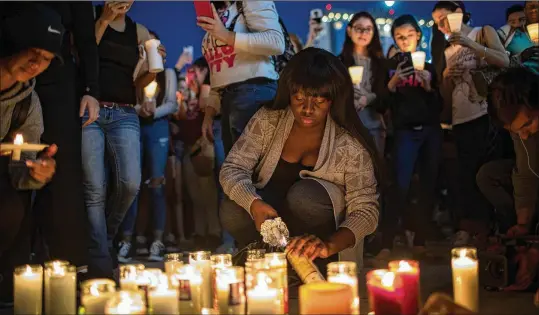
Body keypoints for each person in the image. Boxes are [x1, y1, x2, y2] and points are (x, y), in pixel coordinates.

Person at [219, 48, 379, 270]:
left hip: (323, 243)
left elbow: (366, 210)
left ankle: (313, 264)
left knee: (304, 196)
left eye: (319, 101)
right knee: (233, 207)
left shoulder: (348, 145)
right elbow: (232, 168)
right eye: (299, 98)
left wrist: (328, 245)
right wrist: (254, 204)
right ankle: (268, 261)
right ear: (289, 93)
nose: (307, 109)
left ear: (333, 100)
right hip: (272, 227)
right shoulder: (269, 121)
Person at [84, 1, 155, 279]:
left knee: (130, 183)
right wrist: (104, 19)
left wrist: (153, 64)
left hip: (125, 111)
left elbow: (139, 80)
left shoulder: (138, 30)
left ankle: (105, 239)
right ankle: (101, 260)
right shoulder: (91, 16)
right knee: (93, 188)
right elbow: (83, 54)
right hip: (90, 107)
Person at [432, 1, 510, 246]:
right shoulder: (447, 50)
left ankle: (495, 228)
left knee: (484, 171)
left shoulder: (482, 32)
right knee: (465, 176)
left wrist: (471, 45)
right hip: (460, 118)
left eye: (444, 19)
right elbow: (447, 95)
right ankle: (473, 230)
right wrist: (445, 78)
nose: (442, 26)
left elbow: (504, 62)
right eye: (437, 23)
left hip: (484, 113)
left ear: (458, 13)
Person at [0, 4, 60, 304]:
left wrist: (38, 173)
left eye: (46, 59)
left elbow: (19, 171)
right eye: (33, 52)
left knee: (13, 207)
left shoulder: (27, 103)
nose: (36, 64)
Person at [378, 14, 443, 258]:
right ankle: (387, 241)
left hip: (430, 130)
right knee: (400, 185)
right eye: (399, 37)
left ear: (418, 36)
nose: (405, 41)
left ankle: (420, 239)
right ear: (394, 39)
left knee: (428, 185)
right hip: (404, 132)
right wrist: (392, 83)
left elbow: (439, 107)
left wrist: (429, 87)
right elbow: (382, 103)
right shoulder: (390, 66)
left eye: (409, 35)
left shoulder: (427, 65)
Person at [119, 30, 178, 263]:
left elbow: (172, 103)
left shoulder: (169, 73)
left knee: (157, 182)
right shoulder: (134, 73)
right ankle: (126, 239)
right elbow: (126, 98)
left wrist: (155, 111)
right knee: (131, 183)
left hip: (158, 127)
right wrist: (138, 110)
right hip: (133, 124)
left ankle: (158, 239)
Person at [197, 1, 285, 154]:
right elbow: (219, 72)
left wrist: (225, 35)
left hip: (254, 91)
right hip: (228, 99)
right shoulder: (219, 12)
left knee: (250, 169)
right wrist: (209, 114)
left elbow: (276, 42)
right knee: (236, 171)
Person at [487, 67, 539, 292]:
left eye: (527, 125)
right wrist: (522, 224)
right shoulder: (519, 119)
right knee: (487, 176)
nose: (523, 135)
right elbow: (526, 171)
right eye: (516, 131)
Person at [170, 57, 222, 251]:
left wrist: (200, 87)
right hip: (187, 145)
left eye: (196, 71)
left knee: (208, 193)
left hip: (202, 146)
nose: (192, 75)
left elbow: (203, 106)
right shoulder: (187, 93)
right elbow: (180, 115)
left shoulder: (206, 92)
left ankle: (214, 232)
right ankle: (200, 233)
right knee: (194, 194)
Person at [339, 11, 387, 157]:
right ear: (349, 30)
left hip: (374, 125)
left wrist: (368, 98)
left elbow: (385, 95)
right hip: (348, 127)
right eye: (359, 28)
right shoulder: (339, 62)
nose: (363, 33)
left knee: (375, 173)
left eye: (368, 29)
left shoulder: (380, 64)